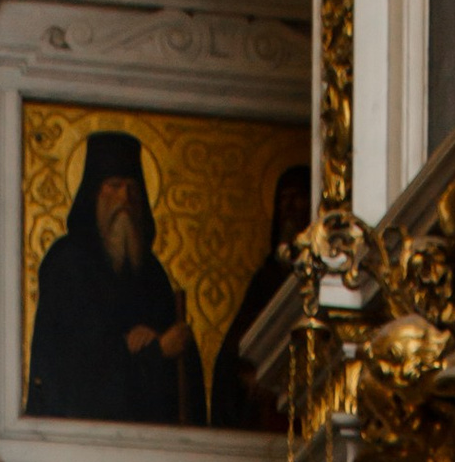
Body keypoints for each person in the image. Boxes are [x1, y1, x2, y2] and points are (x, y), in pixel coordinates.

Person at [26, 128, 207, 426]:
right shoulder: (68, 261)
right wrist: (151, 351)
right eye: (115, 186)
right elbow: (70, 365)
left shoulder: (151, 275)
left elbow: (175, 365)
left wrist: (173, 343)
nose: (125, 197)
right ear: (94, 193)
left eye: (133, 189)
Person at [210, 160, 311, 433]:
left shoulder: (319, 276)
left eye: (298, 198)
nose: (290, 208)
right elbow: (233, 353)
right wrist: (246, 377)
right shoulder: (267, 278)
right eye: (284, 200)